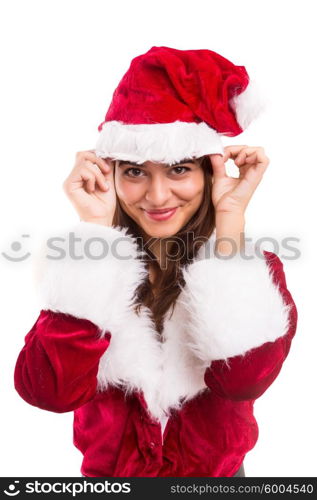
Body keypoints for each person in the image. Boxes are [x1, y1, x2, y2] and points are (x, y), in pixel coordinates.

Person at [14, 46, 298, 478]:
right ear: (110, 174)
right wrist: (95, 232)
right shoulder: (83, 268)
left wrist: (230, 225)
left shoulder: (253, 269)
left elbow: (245, 380)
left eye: (179, 170)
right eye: (134, 171)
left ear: (209, 172)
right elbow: (48, 392)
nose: (158, 196)